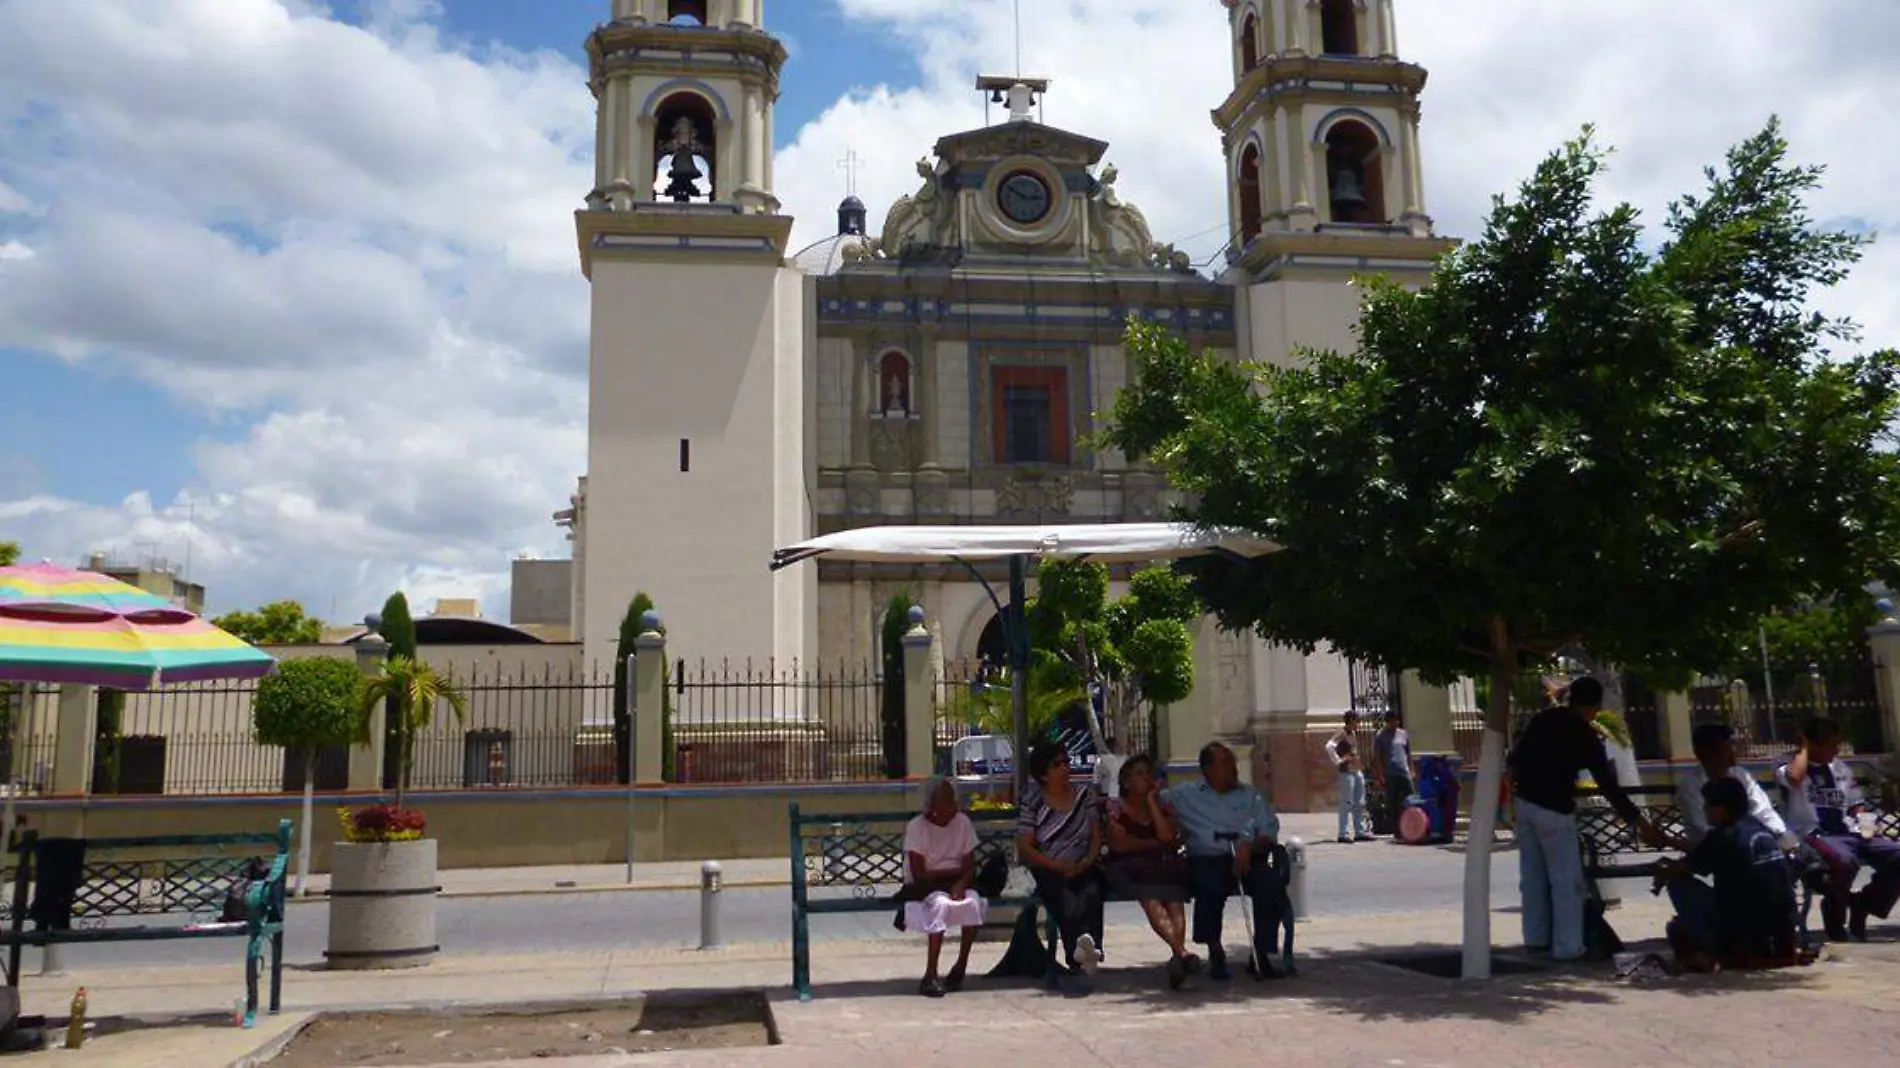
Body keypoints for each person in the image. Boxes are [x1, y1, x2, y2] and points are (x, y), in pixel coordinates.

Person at [1506, 676, 1662, 962]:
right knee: (1566, 880)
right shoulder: (1585, 735)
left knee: (1532, 878)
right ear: (1595, 706)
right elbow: (1608, 786)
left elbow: (1514, 761)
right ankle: (1568, 947)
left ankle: (1536, 940)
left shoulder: (1544, 719)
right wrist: (1639, 823)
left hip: (1524, 804)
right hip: (1554, 809)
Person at [1163, 742, 1288, 980]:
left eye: (1233, 762)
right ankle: (1215, 949)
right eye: (1226, 763)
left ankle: (1261, 953)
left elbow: (1268, 831)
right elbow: (1153, 801)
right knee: (1209, 884)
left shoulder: (1252, 796)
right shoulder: (1185, 795)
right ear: (1208, 770)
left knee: (1270, 884)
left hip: (1248, 856)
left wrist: (1250, 848)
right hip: (1208, 857)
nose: (1233, 768)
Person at [1653, 777, 1801, 972]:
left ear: (1721, 809)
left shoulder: (1724, 835)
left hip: (1744, 924)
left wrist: (1665, 871)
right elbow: (1703, 853)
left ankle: (1715, 949)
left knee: (1679, 886)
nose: (1704, 808)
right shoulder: (1757, 828)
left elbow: (1689, 865)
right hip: (1782, 921)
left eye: (1707, 804)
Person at [1776, 716, 1900, 941]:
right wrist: (1803, 747)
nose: (1836, 749)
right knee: (1843, 860)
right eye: (1831, 744)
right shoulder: (1790, 764)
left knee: (1897, 854)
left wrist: (1868, 828)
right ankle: (1835, 919)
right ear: (1813, 744)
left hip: (1850, 832)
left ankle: (1863, 904)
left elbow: (1855, 804)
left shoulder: (1839, 768)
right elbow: (1794, 778)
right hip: (1815, 834)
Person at [1103, 753, 1197, 988]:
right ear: (1126, 782)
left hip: (1161, 864)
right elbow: (1122, 844)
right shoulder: (1115, 807)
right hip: (1129, 866)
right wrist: (1154, 844)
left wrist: (1153, 802)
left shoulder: (1162, 804)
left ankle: (1179, 957)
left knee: (1174, 900)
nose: (1146, 779)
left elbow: (1166, 835)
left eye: (1149, 774)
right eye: (1139, 774)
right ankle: (1182, 953)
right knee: (1151, 897)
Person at [1017, 739, 1105, 983]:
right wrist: (1057, 866)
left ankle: (1084, 952)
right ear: (1044, 774)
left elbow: (1096, 834)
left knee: (1091, 892)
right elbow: (1025, 845)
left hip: (1084, 863)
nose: (1066, 767)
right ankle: (1082, 954)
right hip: (1048, 866)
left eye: (1067, 761)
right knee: (1065, 899)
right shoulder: (1032, 800)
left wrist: (1087, 860)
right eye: (1058, 764)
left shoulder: (1084, 795)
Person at [898, 778, 987, 997]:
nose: (951, 807)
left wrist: (960, 882)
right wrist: (951, 875)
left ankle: (960, 966)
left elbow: (968, 866)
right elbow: (920, 874)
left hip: (956, 880)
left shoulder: (963, 822)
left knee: (973, 902)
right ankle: (930, 974)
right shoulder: (917, 827)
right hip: (927, 885)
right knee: (940, 905)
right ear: (931, 806)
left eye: (952, 801)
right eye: (945, 802)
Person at [1670, 723, 1789, 849]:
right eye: (1726, 747)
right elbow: (1701, 828)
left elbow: (1762, 811)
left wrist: (1779, 834)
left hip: (1753, 844)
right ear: (1706, 752)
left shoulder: (1741, 775)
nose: (1733, 752)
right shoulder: (1690, 786)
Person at [1326, 713, 1371, 843]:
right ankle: (1343, 833)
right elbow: (1329, 746)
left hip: (1356, 769)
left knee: (1359, 801)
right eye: (1357, 721)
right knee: (1347, 802)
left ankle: (1359, 830)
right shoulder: (1342, 733)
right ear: (1351, 720)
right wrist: (1339, 760)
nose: (1358, 724)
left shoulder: (1352, 734)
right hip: (1346, 772)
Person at [1371, 709, 1416, 834]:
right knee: (1392, 801)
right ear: (1387, 722)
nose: (1394, 723)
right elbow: (1377, 756)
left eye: (1396, 721)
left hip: (1404, 771)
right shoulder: (1381, 736)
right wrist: (1380, 774)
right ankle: (1395, 828)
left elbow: (1408, 753)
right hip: (1390, 772)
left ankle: (1411, 823)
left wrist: (1412, 769)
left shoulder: (1403, 734)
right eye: (1392, 721)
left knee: (1411, 797)